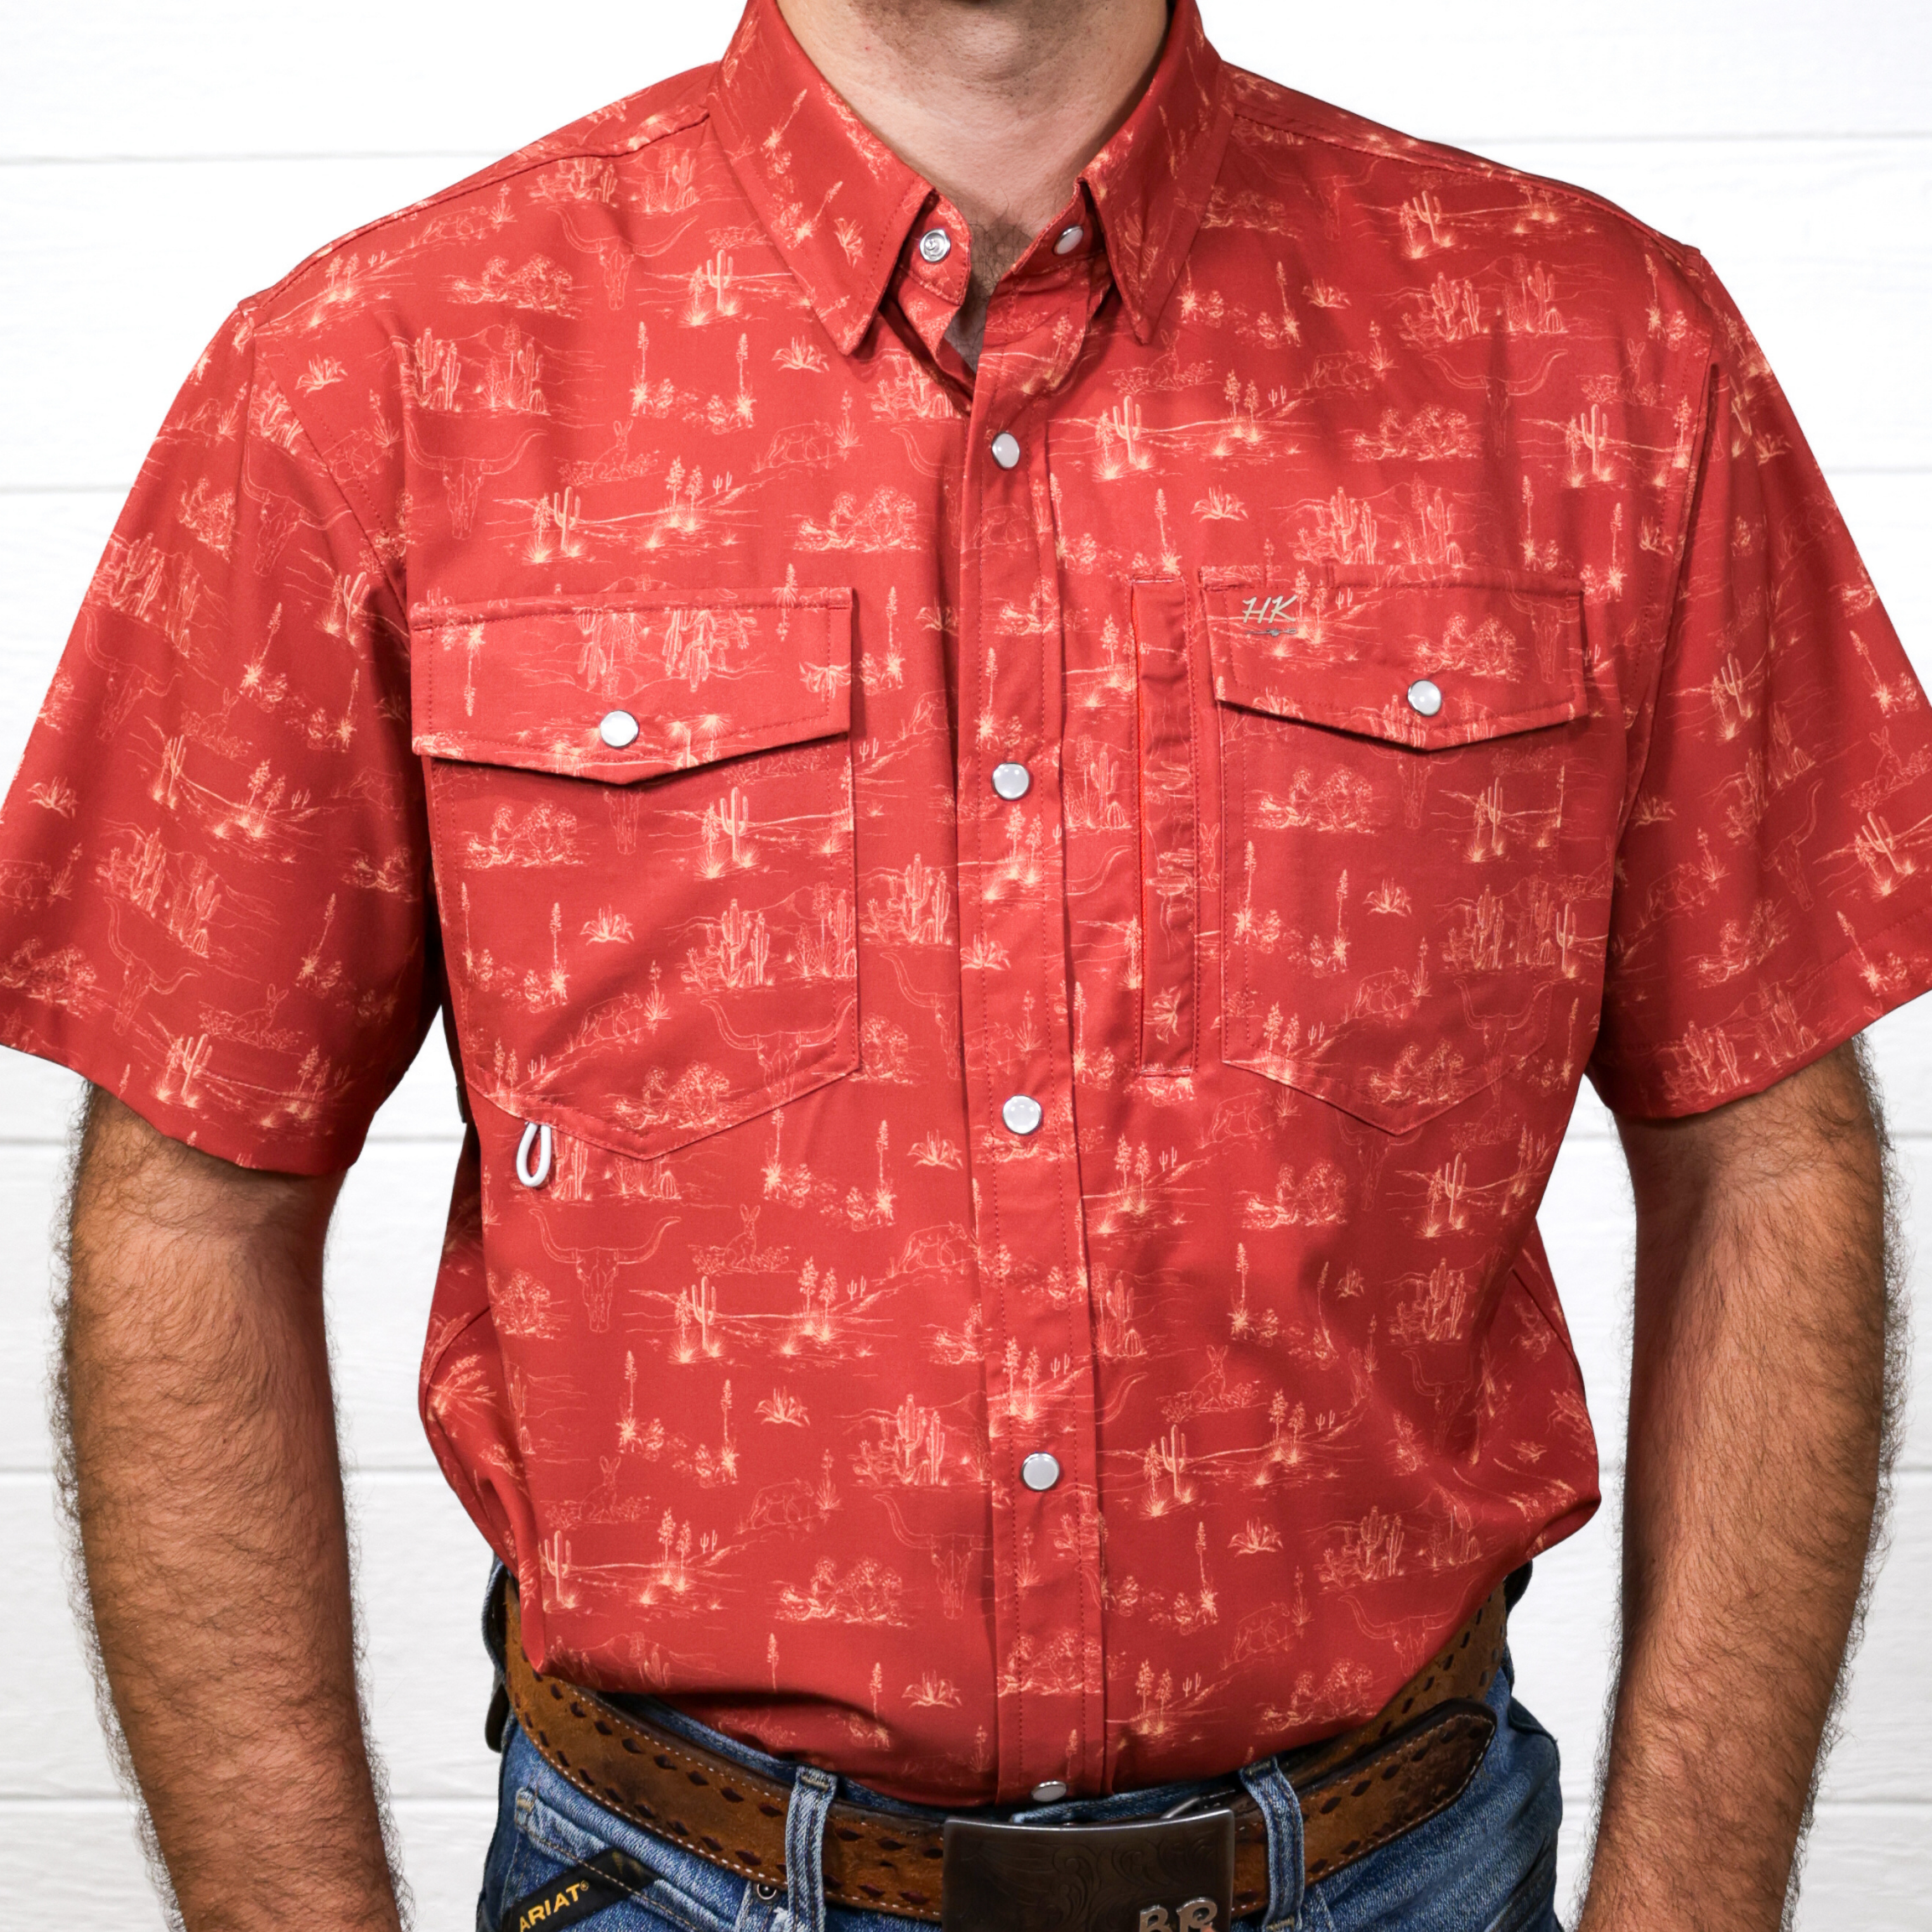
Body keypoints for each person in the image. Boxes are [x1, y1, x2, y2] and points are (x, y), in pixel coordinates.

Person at [5, 0, 1925, 1926]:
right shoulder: (380, 378)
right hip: (670, 1883)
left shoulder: (1595, 359)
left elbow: (1769, 1152)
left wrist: (1692, 1901)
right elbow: (188, 1207)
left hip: (1403, 1871)